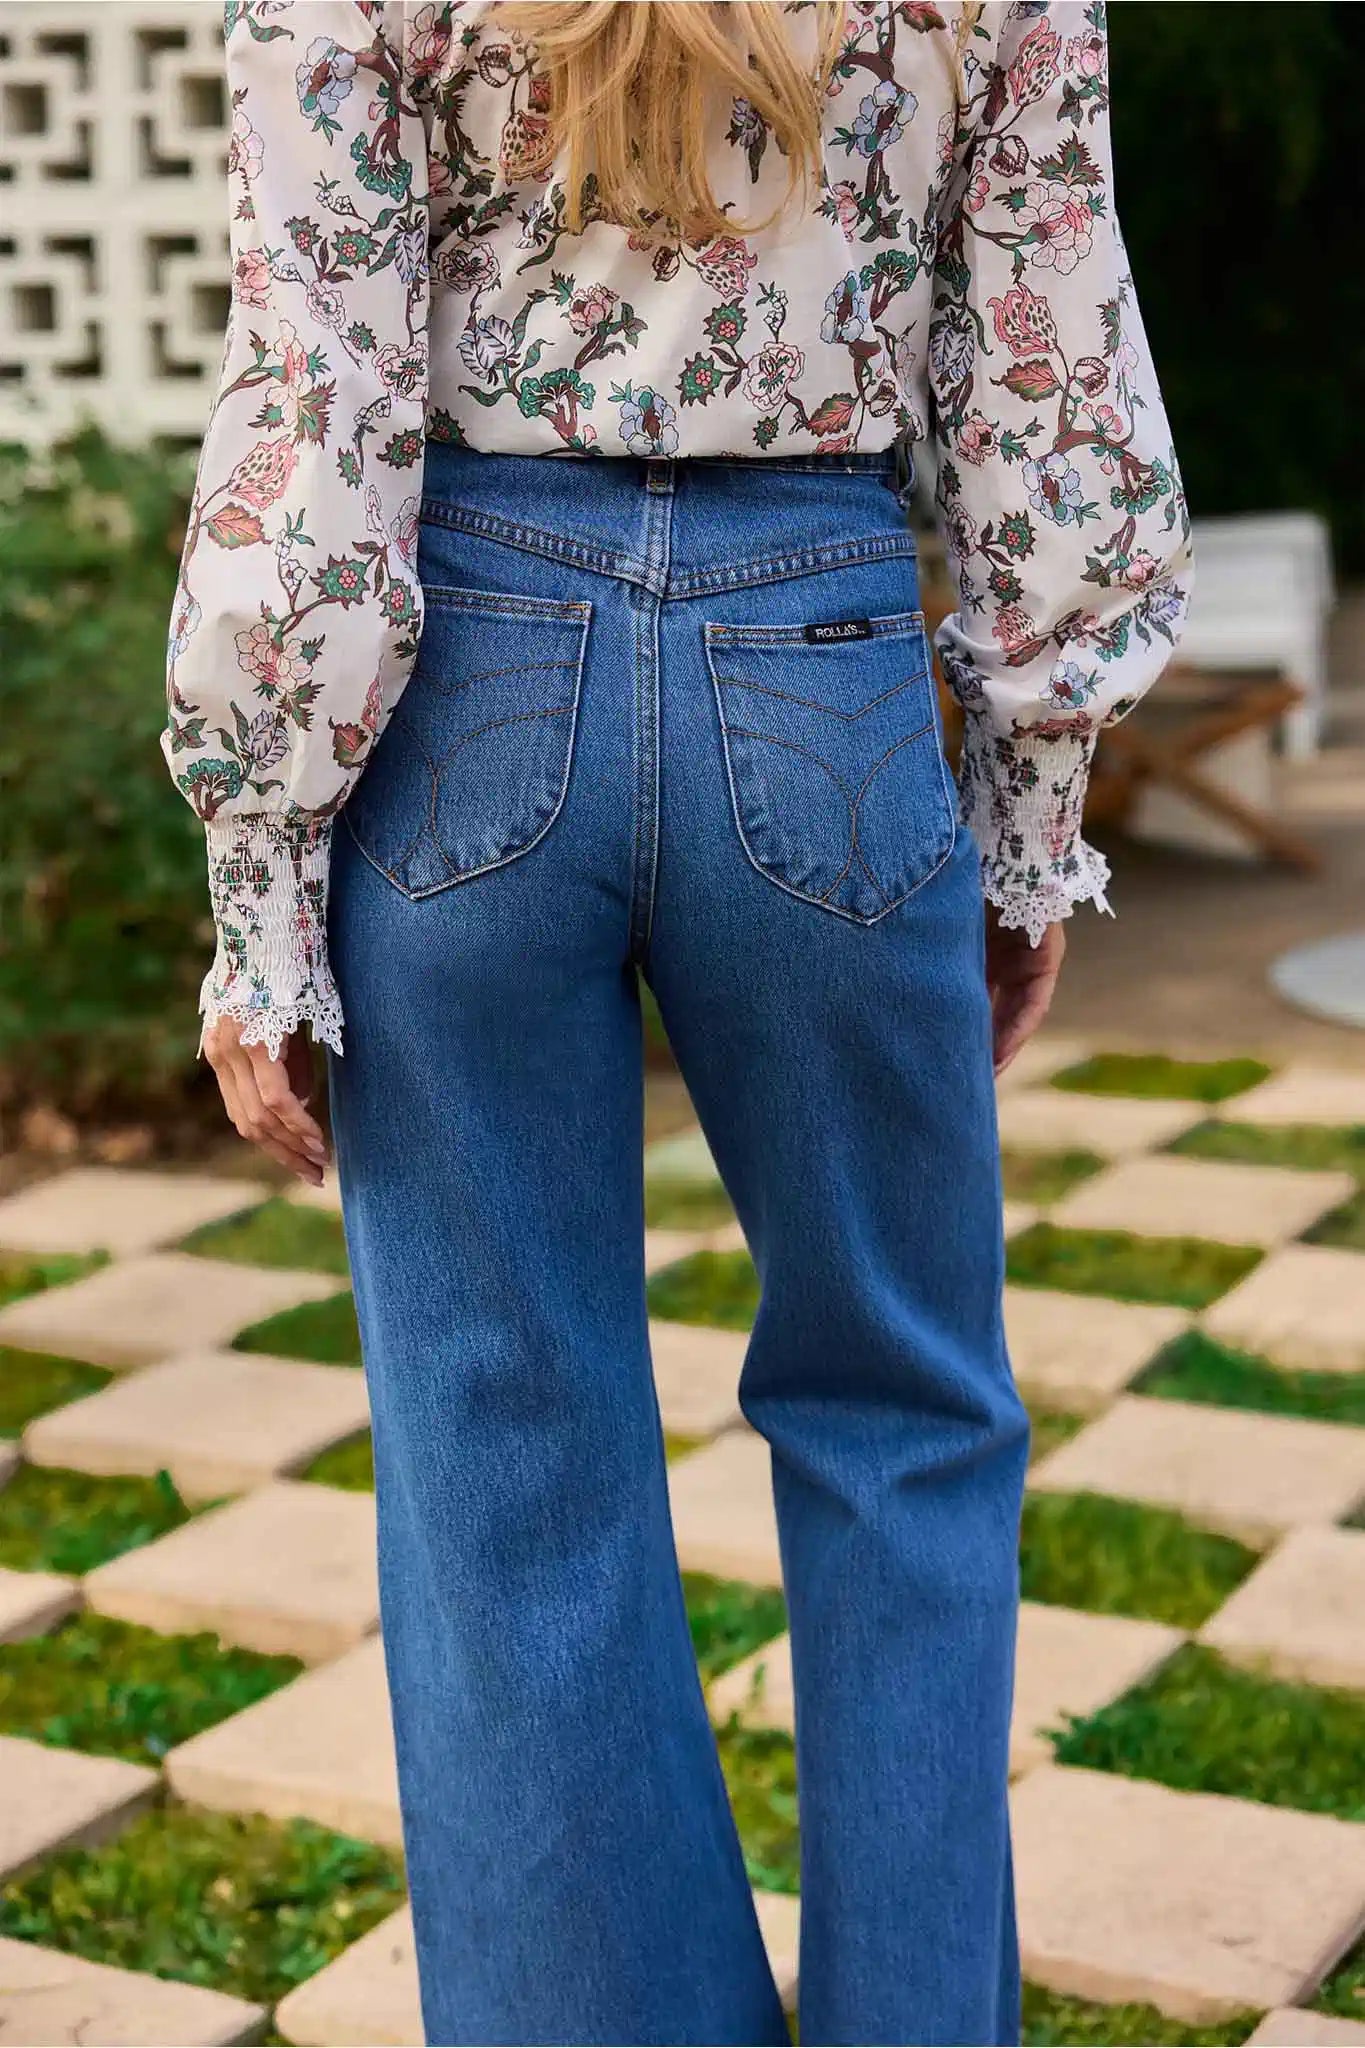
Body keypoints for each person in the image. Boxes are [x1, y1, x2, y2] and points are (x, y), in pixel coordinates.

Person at [161, 3, 1190, 2041]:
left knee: (500, 1434)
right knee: (904, 1407)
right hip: (817, 661)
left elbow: (321, 374)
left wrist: (263, 869)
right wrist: (1023, 805)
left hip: (463, 682)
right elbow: (1044, 367)